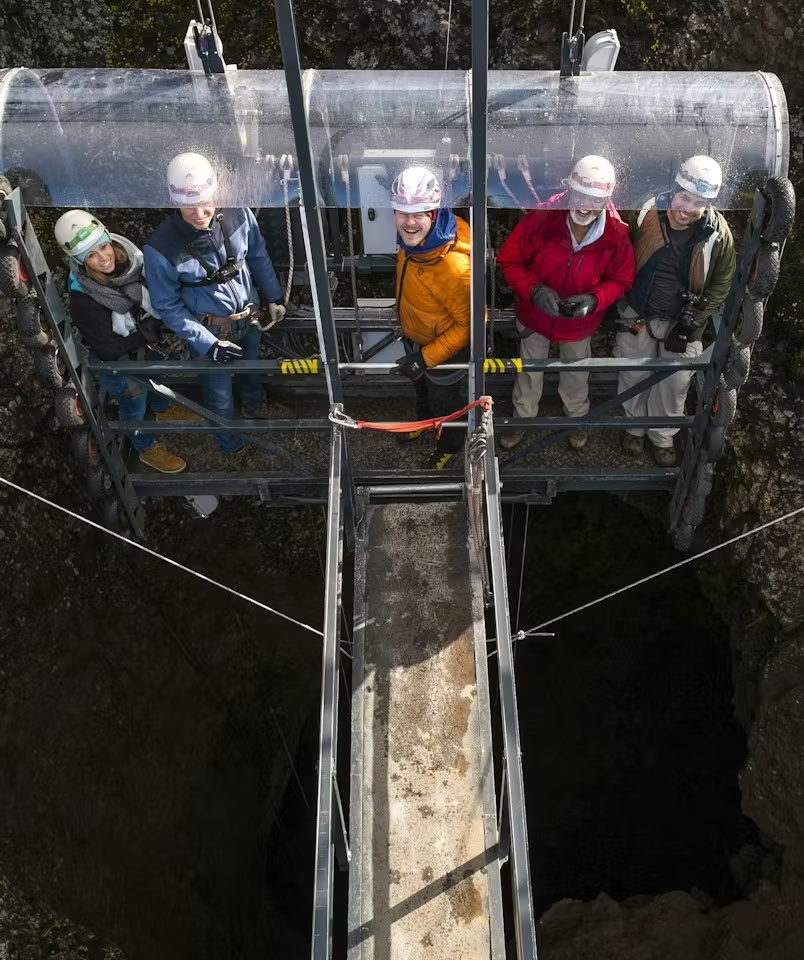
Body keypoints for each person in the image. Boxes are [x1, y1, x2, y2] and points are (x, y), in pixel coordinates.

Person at [143, 152, 287, 454]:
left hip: (249, 318)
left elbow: (257, 255)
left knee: (251, 369)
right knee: (219, 393)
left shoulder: (238, 213)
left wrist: (274, 297)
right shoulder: (161, 248)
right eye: (188, 206)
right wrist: (208, 344)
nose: (198, 213)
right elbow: (167, 305)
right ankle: (231, 446)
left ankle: (255, 405)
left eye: (204, 201)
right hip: (211, 331)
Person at [497, 155, 635, 451]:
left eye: (596, 199)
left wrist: (593, 300)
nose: (586, 205)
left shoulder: (616, 233)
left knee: (576, 372)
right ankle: (523, 419)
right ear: (569, 189)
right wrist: (534, 291)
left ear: (608, 198)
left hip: (579, 323)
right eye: (580, 194)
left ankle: (576, 420)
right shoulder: (542, 217)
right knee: (529, 369)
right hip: (535, 317)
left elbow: (621, 279)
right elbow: (510, 259)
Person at [615, 155, 736, 466]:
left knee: (675, 383)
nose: (687, 208)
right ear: (674, 189)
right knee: (632, 372)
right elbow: (622, 253)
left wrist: (692, 322)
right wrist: (622, 303)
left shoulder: (717, 235)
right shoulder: (646, 213)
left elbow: (721, 283)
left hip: (683, 321)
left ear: (708, 204)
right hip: (639, 313)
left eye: (697, 202)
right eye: (684, 196)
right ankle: (633, 429)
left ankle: (662, 436)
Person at [54, 209, 188, 473]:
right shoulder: (84, 299)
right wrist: (144, 333)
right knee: (133, 404)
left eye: (103, 247)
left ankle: (162, 408)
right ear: (81, 262)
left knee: (156, 379)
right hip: (119, 362)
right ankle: (145, 447)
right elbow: (106, 349)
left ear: (110, 240)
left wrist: (149, 327)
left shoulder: (133, 260)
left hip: (143, 342)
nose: (103, 258)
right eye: (91, 256)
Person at [390, 166, 472, 471]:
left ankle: (449, 446)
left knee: (446, 402)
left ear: (435, 213)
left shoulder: (453, 266)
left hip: (443, 352)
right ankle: (424, 423)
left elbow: (471, 324)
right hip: (417, 337)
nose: (409, 222)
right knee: (422, 391)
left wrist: (426, 358)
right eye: (402, 211)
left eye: (420, 212)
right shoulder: (416, 240)